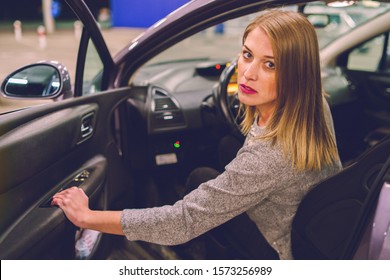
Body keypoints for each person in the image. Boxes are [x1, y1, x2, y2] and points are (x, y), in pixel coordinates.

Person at [52, 9, 342, 260]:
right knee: (228, 145)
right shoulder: (314, 102)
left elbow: (183, 220)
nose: (248, 74)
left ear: (296, 73)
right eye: (247, 55)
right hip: (306, 225)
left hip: (279, 250)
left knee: (200, 178)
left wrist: (88, 217)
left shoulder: (269, 156)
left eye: (270, 65)